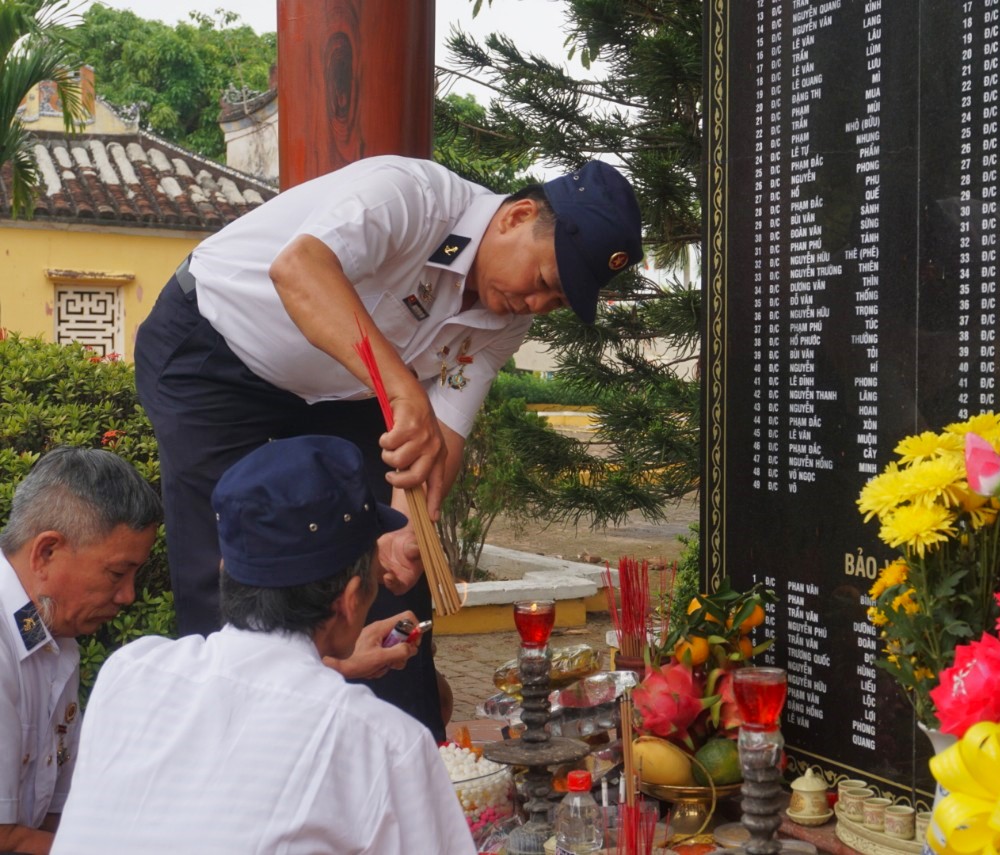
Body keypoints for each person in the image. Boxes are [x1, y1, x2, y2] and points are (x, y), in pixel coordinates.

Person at [134, 156, 643, 739]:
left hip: (340, 388)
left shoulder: (504, 320)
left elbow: (441, 435)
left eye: (555, 304)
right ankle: (232, 758)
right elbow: (298, 268)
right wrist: (402, 388)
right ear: (518, 216)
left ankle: (409, 764)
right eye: (546, 283)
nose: (535, 306)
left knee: (391, 583)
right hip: (214, 353)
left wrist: (405, 528)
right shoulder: (411, 197)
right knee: (232, 575)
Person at [51, 435, 475, 854]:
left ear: (226, 570)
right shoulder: (384, 742)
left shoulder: (131, 671)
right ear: (349, 600)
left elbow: (256, 693)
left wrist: (339, 668)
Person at [0, 447, 162, 855]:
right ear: (46, 552)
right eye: (117, 573)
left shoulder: (50, 638)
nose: (128, 595)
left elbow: (57, 817)